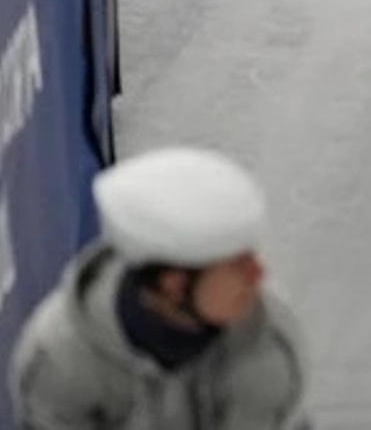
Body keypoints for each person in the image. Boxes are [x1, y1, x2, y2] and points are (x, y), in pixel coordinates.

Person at [8, 145, 313, 429]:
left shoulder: (268, 349)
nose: (259, 275)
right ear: (173, 285)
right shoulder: (61, 360)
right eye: (237, 266)